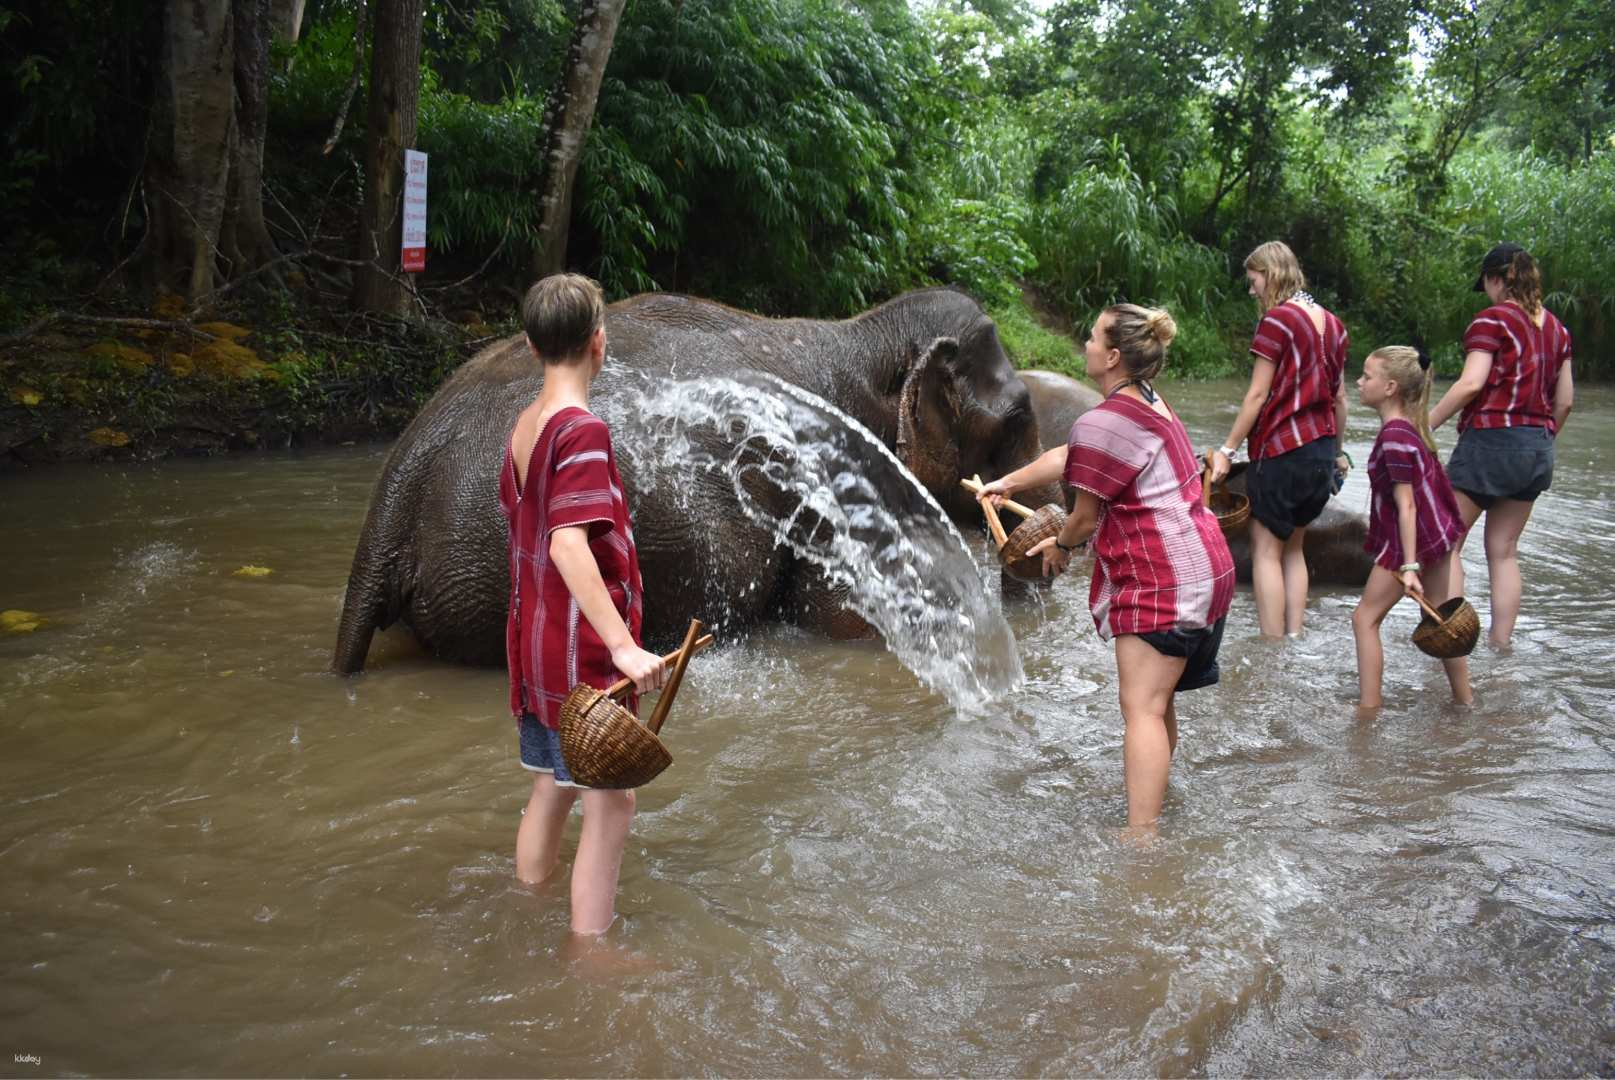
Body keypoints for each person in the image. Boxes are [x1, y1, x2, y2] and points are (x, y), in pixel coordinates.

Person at [978, 305, 1235, 836]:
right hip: (1207, 570)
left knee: (1140, 707)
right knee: (1157, 701)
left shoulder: (1105, 418)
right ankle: (1156, 799)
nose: (1086, 345)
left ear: (1113, 356)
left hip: (1164, 579)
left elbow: (1083, 517)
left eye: (1093, 337)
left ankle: (1141, 840)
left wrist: (1061, 546)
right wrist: (1009, 482)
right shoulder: (1147, 404)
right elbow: (1074, 454)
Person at [498, 273, 667, 936]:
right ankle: (591, 958)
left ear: (534, 346)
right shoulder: (583, 430)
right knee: (613, 803)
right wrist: (621, 645)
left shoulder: (524, 425)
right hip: (581, 653)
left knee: (552, 783)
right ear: (598, 343)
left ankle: (527, 905)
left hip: (535, 645)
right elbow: (568, 543)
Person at [1428, 243, 1574, 648]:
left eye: (1487, 284)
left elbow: (1471, 383)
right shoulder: (1558, 329)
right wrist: (1538, 441)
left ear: (1497, 279)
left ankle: (1451, 639)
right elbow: (1565, 402)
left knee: (1449, 542)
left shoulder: (1492, 321)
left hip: (1490, 441)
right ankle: (1500, 644)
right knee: (1504, 550)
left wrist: (1425, 427)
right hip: (1537, 448)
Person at [1208, 241, 1350, 637]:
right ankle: (1294, 634)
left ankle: (1272, 646)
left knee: (1265, 550)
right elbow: (1339, 399)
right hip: (1321, 453)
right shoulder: (1334, 324)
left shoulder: (1277, 322)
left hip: (1283, 450)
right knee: (1294, 548)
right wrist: (1337, 455)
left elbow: (1257, 394)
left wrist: (1227, 450)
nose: (1252, 290)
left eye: (1253, 280)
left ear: (1269, 274)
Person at [1351, 346, 1472, 710]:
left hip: (1412, 546)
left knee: (1364, 619)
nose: (1358, 382)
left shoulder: (1394, 437)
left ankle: (1368, 710)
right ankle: (1465, 702)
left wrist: (1408, 567)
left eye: (1367, 376)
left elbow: (1406, 505)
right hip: (1436, 538)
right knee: (1443, 621)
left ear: (1390, 387)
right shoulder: (1411, 428)